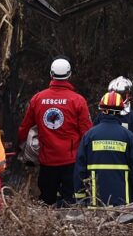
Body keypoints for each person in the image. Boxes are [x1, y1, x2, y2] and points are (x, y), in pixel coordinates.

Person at [17, 56, 92, 206]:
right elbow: (87, 133)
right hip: (71, 163)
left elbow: (24, 129)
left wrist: (21, 148)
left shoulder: (37, 99)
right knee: (71, 206)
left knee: (47, 205)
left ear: (51, 74)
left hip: (47, 162)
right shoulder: (78, 101)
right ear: (69, 75)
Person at [73, 91, 133, 207]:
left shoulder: (89, 136)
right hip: (123, 207)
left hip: (95, 205)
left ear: (101, 110)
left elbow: (80, 168)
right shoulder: (128, 136)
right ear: (120, 112)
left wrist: (80, 197)